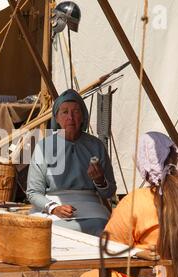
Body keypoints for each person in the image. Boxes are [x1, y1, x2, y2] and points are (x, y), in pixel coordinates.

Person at [73, 132, 178, 277]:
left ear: (143, 166)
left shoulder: (136, 201)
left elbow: (109, 249)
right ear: (175, 157)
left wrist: (138, 252)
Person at [26, 89, 117, 236]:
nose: (70, 117)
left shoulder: (96, 146)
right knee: (43, 233)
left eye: (75, 112)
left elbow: (109, 192)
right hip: (52, 205)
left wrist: (100, 180)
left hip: (91, 207)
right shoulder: (44, 147)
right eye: (65, 112)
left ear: (83, 116)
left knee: (104, 229)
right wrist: (53, 208)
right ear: (56, 117)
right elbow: (33, 192)